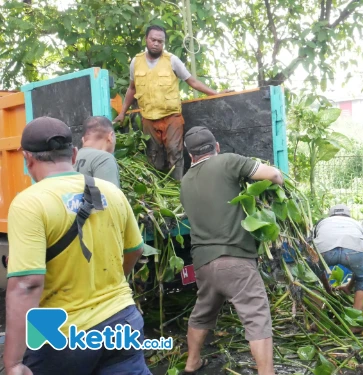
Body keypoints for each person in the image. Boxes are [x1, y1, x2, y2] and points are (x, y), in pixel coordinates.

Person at [4, 117, 148, 375]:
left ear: (28, 158)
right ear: (72, 153)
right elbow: (134, 250)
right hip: (121, 323)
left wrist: (13, 362)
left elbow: (26, 284)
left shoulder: (29, 203)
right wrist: (111, 284)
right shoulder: (111, 192)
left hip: (62, 336)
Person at [179, 126, 283, 375]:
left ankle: (192, 363)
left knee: (203, 313)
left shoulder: (184, 182)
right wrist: (279, 180)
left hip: (203, 264)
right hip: (235, 259)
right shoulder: (227, 161)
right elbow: (272, 175)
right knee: (256, 316)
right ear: (216, 147)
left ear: (190, 155)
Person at [113, 25, 226, 181]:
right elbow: (132, 89)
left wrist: (216, 94)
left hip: (171, 117)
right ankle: (158, 189)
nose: (156, 43)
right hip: (148, 118)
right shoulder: (136, 62)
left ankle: (179, 186)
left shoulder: (172, 60)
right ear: (146, 39)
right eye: (153, 40)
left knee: (175, 152)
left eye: (161, 41)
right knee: (153, 155)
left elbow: (192, 81)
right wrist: (122, 113)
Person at [312, 204, 363, 314]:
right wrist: (349, 287)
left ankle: (319, 319)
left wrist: (328, 288)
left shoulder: (322, 222)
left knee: (311, 279)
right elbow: (360, 269)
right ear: (348, 215)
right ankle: (356, 320)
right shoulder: (356, 223)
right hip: (354, 250)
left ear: (330, 215)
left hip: (325, 251)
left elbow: (318, 270)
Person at [75, 116, 121, 187]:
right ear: (110, 136)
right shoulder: (104, 158)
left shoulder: (72, 158)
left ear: (83, 140)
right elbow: (109, 195)